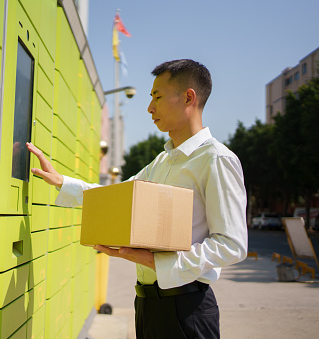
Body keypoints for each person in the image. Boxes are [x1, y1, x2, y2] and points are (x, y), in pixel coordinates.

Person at [27, 59, 248, 339]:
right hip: (146, 304)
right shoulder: (162, 161)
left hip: (186, 309)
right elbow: (117, 198)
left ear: (188, 97)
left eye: (157, 96)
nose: (150, 107)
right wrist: (63, 182)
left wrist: (159, 263)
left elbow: (232, 244)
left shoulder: (215, 159)